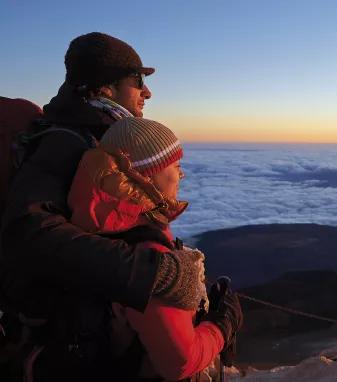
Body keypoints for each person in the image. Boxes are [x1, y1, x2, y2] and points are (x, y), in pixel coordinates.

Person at [0, 33, 206, 380]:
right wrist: (153, 273)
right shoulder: (63, 141)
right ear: (104, 89)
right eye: (138, 80)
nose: (148, 92)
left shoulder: (94, 135)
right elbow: (29, 231)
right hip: (67, 342)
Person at [67, 117, 243, 381]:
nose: (181, 174)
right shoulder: (148, 258)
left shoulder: (97, 229)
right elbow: (179, 363)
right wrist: (223, 325)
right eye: (175, 165)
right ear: (145, 175)